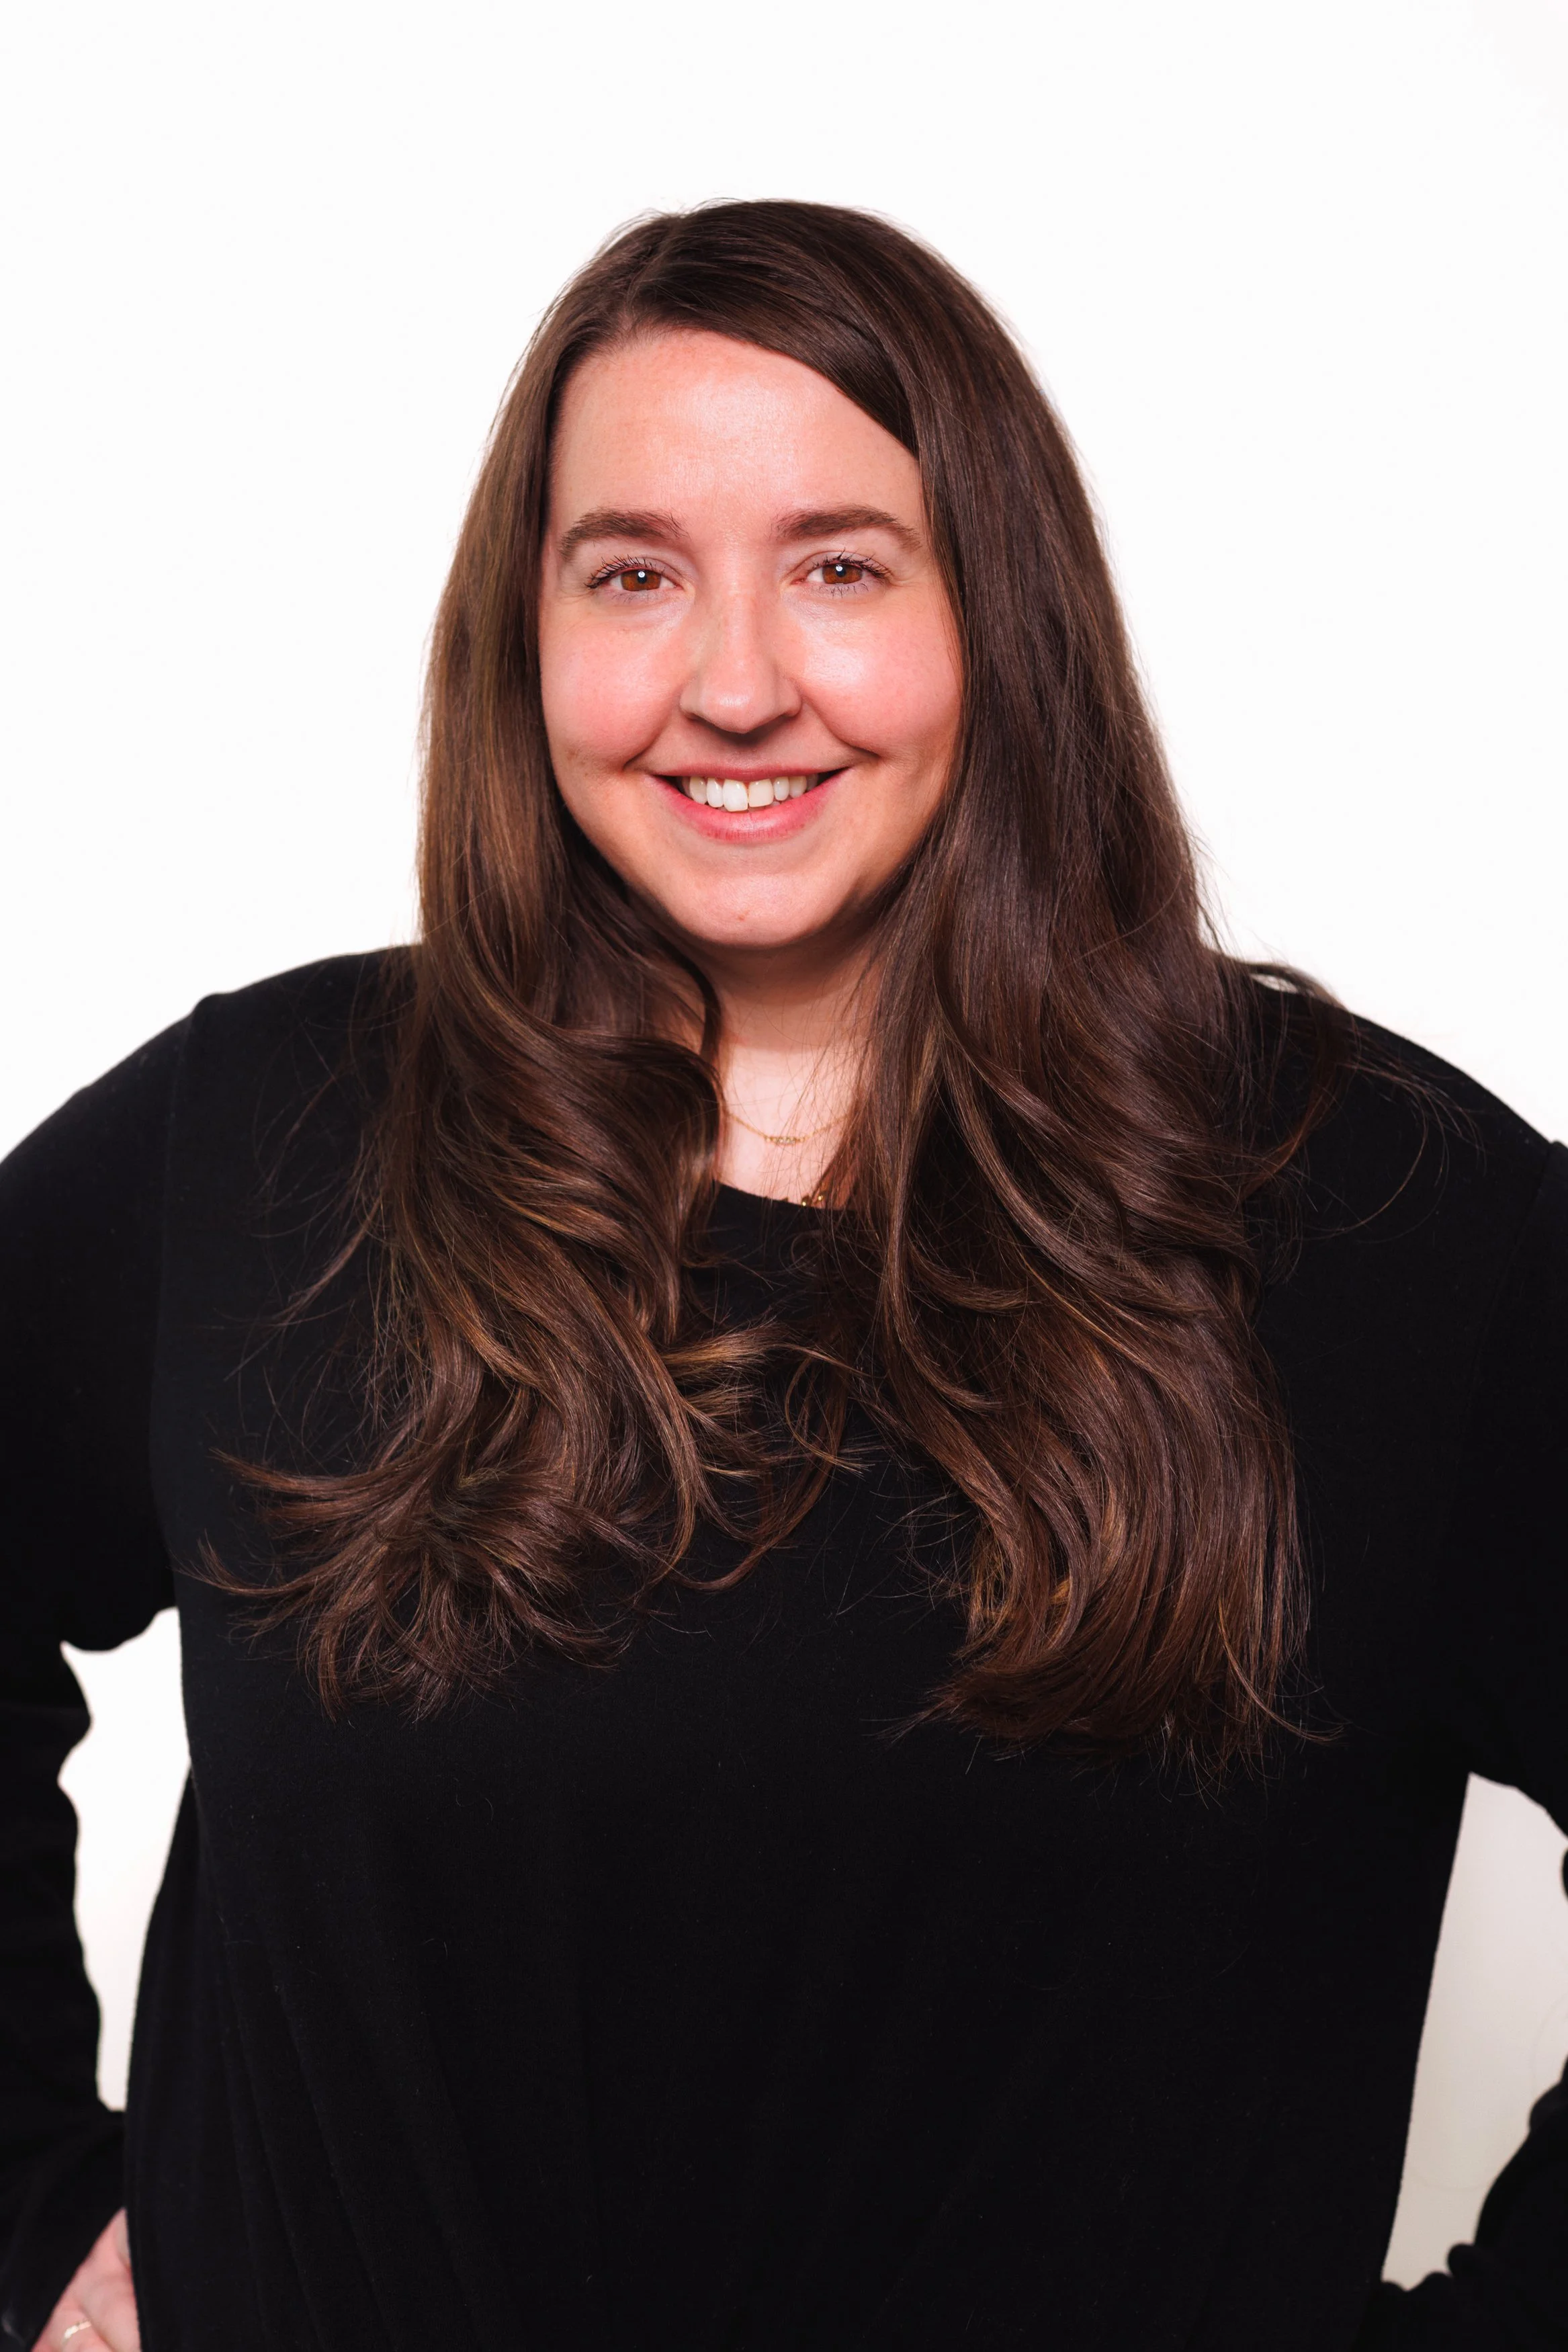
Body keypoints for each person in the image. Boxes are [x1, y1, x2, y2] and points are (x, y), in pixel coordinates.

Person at [1, 199, 1563, 2352]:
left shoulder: (1369, 1215)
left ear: (998, 622)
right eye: (632, 574)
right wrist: (30, 2202)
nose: (734, 680)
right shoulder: (264, 1141)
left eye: (839, 564)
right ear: (523, 636)